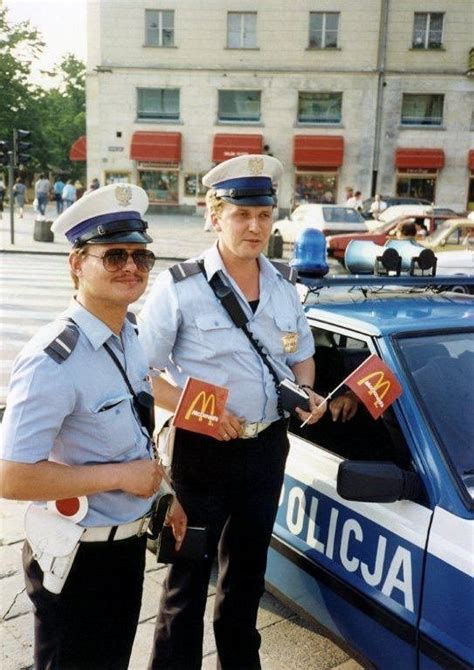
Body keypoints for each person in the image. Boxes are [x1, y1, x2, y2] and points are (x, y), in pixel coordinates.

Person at [139, 154, 351, 670]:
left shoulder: (282, 284)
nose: (254, 226)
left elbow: (301, 352)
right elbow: (139, 373)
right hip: (201, 453)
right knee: (187, 580)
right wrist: (197, 410)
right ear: (215, 216)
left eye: (263, 214)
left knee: (247, 576)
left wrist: (306, 393)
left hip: (266, 449)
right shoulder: (180, 287)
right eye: (240, 215)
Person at [0, 183, 187, 670]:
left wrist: (164, 495)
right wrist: (121, 477)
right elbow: (12, 476)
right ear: (76, 264)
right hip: (74, 559)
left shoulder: (129, 335)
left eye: (141, 257)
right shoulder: (51, 359)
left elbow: (133, 428)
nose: (131, 267)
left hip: (122, 550)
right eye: (114, 255)